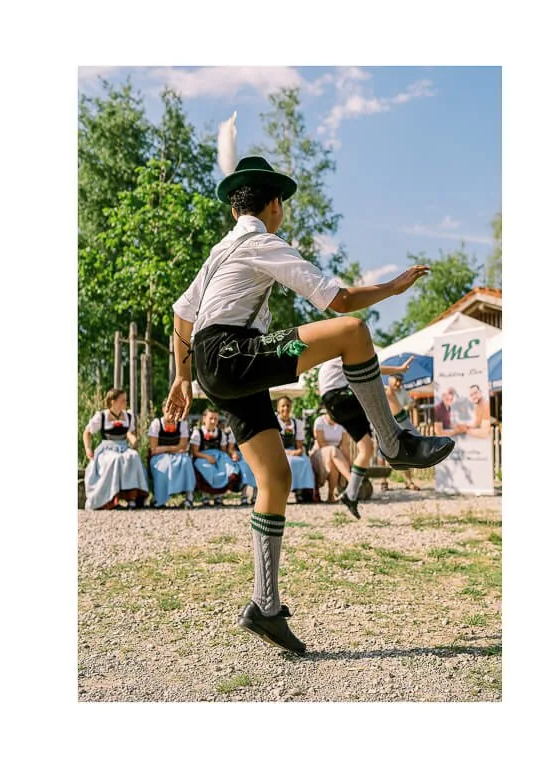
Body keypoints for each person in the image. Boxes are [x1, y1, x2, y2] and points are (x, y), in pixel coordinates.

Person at [166, 155, 454, 654]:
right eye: (284, 205)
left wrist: (182, 377)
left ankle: (266, 605)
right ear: (274, 205)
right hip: (234, 355)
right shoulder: (262, 242)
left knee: (275, 479)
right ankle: (392, 441)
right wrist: (392, 287)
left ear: (236, 209)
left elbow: (181, 317)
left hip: (218, 371)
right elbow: (337, 302)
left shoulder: (218, 252)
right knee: (352, 330)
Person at [315, 353, 415, 515]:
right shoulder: (344, 351)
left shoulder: (333, 359)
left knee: (367, 448)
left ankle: (350, 494)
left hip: (336, 404)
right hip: (339, 397)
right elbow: (372, 369)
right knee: (387, 394)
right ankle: (410, 435)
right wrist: (398, 369)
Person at [82, 388, 150, 509]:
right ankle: (111, 498)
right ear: (113, 402)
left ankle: (132, 497)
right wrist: (88, 449)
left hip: (123, 446)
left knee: (133, 456)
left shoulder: (128, 416)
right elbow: (87, 432)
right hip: (107, 448)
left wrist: (133, 440)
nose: (125, 402)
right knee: (116, 459)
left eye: (125, 400)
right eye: (122, 400)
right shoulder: (102, 416)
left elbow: (129, 433)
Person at [147, 398, 198, 508]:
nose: (171, 412)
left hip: (177, 455)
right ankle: (159, 499)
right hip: (159, 457)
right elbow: (154, 449)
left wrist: (165, 448)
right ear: (163, 409)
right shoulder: (156, 424)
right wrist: (174, 448)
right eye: (169, 408)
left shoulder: (182, 424)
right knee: (164, 465)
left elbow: (183, 446)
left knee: (186, 461)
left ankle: (189, 497)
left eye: (175, 409)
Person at [381, 374, 422, 491]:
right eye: (396, 380)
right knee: (382, 455)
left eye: (400, 381)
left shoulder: (403, 391)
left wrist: (409, 405)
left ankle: (408, 482)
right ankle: (384, 482)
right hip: (384, 427)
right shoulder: (383, 391)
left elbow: (411, 404)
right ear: (390, 379)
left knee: (403, 454)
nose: (398, 383)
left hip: (401, 426)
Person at [190, 409, 240, 505]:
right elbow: (195, 452)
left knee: (225, 468)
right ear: (204, 419)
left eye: (215, 419)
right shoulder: (198, 433)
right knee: (206, 468)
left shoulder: (220, 434)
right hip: (202, 456)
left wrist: (226, 457)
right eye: (211, 418)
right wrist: (207, 457)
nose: (213, 421)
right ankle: (205, 496)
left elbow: (223, 450)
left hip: (218, 456)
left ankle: (219, 496)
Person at [273, 396, 318, 502]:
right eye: (283, 406)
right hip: (276, 451)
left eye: (288, 405)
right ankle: (284, 492)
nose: (286, 408)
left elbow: (299, 446)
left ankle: (303, 492)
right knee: (290, 462)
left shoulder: (297, 423)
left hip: (292, 450)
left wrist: (298, 450)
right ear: (278, 408)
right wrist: (286, 452)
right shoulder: (274, 422)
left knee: (305, 461)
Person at [309, 409, 353, 503]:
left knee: (334, 459)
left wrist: (349, 461)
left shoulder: (342, 423)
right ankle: (352, 481)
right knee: (333, 451)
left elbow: (345, 445)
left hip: (335, 456)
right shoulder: (319, 421)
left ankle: (330, 495)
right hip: (319, 453)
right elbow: (321, 443)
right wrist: (336, 451)